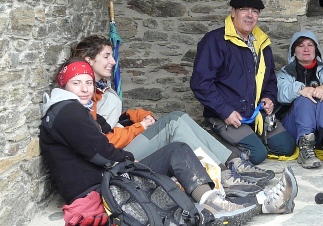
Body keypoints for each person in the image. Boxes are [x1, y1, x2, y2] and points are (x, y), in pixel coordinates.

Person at [71, 36, 297, 214]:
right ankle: (225, 172)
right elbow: (103, 140)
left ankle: (232, 163)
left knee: (179, 117)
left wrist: (139, 116)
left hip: (122, 146)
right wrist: (139, 128)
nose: (113, 61)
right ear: (89, 60)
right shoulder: (84, 96)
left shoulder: (96, 88)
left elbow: (116, 117)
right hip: (117, 159)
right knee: (174, 124)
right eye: (107, 56)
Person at [39, 58, 257, 226]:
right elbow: (101, 153)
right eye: (76, 83)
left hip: (99, 181)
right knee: (176, 151)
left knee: (174, 158)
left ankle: (210, 200)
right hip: (101, 189)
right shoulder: (69, 112)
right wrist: (130, 159)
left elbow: (101, 136)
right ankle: (213, 202)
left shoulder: (66, 110)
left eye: (88, 83)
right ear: (64, 86)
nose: (85, 89)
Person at [190, 0, 296, 165]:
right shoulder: (215, 41)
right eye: (244, 10)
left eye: (255, 11)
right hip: (227, 114)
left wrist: (269, 97)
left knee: (286, 147)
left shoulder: (262, 43)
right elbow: (200, 83)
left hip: (256, 113)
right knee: (256, 155)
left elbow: (270, 79)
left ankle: (247, 139)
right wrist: (225, 111)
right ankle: (210, 134)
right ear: (233, 12)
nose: (250, 15)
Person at [277, 31, 323, 169]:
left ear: (316, 50)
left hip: (321, 126)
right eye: (301, 46)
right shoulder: (285, 73)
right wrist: (300, 89)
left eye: (310, 45)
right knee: (304, 98)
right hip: (295, 126)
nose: (306, 49)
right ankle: (305, 147)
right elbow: (280, 92)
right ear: (294, 51)